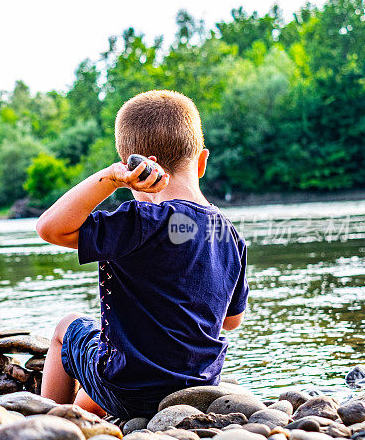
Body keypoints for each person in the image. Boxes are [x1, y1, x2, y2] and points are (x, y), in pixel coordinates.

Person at [35, 90, 248, 419]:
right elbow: (231, 322)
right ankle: (90, 418)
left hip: (129, 389)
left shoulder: (141, 221)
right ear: (202, 161)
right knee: (108, 370)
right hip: (198, 386)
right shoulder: (229, 235)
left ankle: (49, 424)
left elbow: (50, 228)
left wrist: (110, 178)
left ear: (134, 167)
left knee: (67, 330)